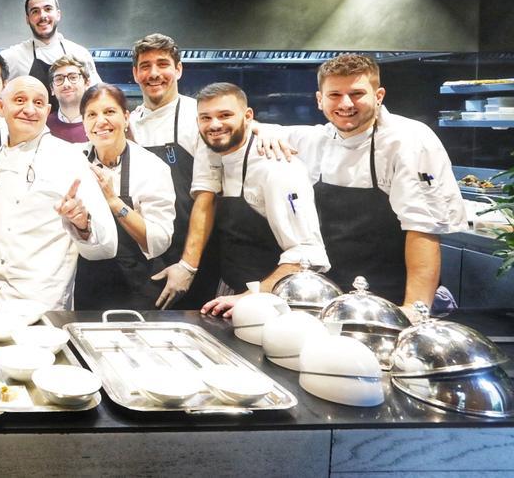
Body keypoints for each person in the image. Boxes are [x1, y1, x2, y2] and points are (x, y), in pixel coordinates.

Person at [261, 54, 467, 309]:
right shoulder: (316, 139)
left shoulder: (408, 141)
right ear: (319, 100)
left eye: (357, 93)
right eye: (334, 95)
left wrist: (413, 310)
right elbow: (247, 127)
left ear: (378, 96)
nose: (346, 103)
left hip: (392, 295)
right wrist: (266, 133)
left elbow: (422, 230)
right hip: (330, 294)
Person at [189, 83, 329, 317]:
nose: (214, 125)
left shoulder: (276, 167)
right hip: (232, 292)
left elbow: (307, 253)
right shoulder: (217, 156)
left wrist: (253, 296)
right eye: (206, 117)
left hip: (274, 305)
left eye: (225, 115)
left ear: (248, 117)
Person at [0, 76, 118, 310]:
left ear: (47, 110)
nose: (30, 109)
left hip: (42, 305)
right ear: (1, 107)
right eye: (20, 100)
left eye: (38, 102)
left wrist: (83, 224)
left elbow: (108, 246)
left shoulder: (68, 157)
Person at [127, 33, 222, 310]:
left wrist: (188, 266)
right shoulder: (129, 122)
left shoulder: (199, 117)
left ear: (178, 69)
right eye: (145, 66)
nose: (154, 73)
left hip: (192, 256)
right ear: (135, 73)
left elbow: (207, 197)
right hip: (145, 256)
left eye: (163, 64)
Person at [76, 84, 177, 310]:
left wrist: (114, 201)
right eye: (91, 114)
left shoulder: (151, 166)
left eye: (109, 112)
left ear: (126, 117)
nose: (100, 121)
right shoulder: (74, 160)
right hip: (85, 282)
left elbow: (159, 241)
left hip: (137, 287)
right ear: (83, 123)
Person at [0, 0, 101, 102]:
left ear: (58, 15)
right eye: (35, 11)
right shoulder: (14, 57)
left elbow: (98, 97)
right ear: (27, 19)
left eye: (48, 9)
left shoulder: (80, 54)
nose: (42, 16)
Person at [45, 55, 90, 144]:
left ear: (87, 84)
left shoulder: (99, 124)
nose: (66, 84)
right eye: (59, 79)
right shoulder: (43, 125)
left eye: (73, 77)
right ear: (52, 89)